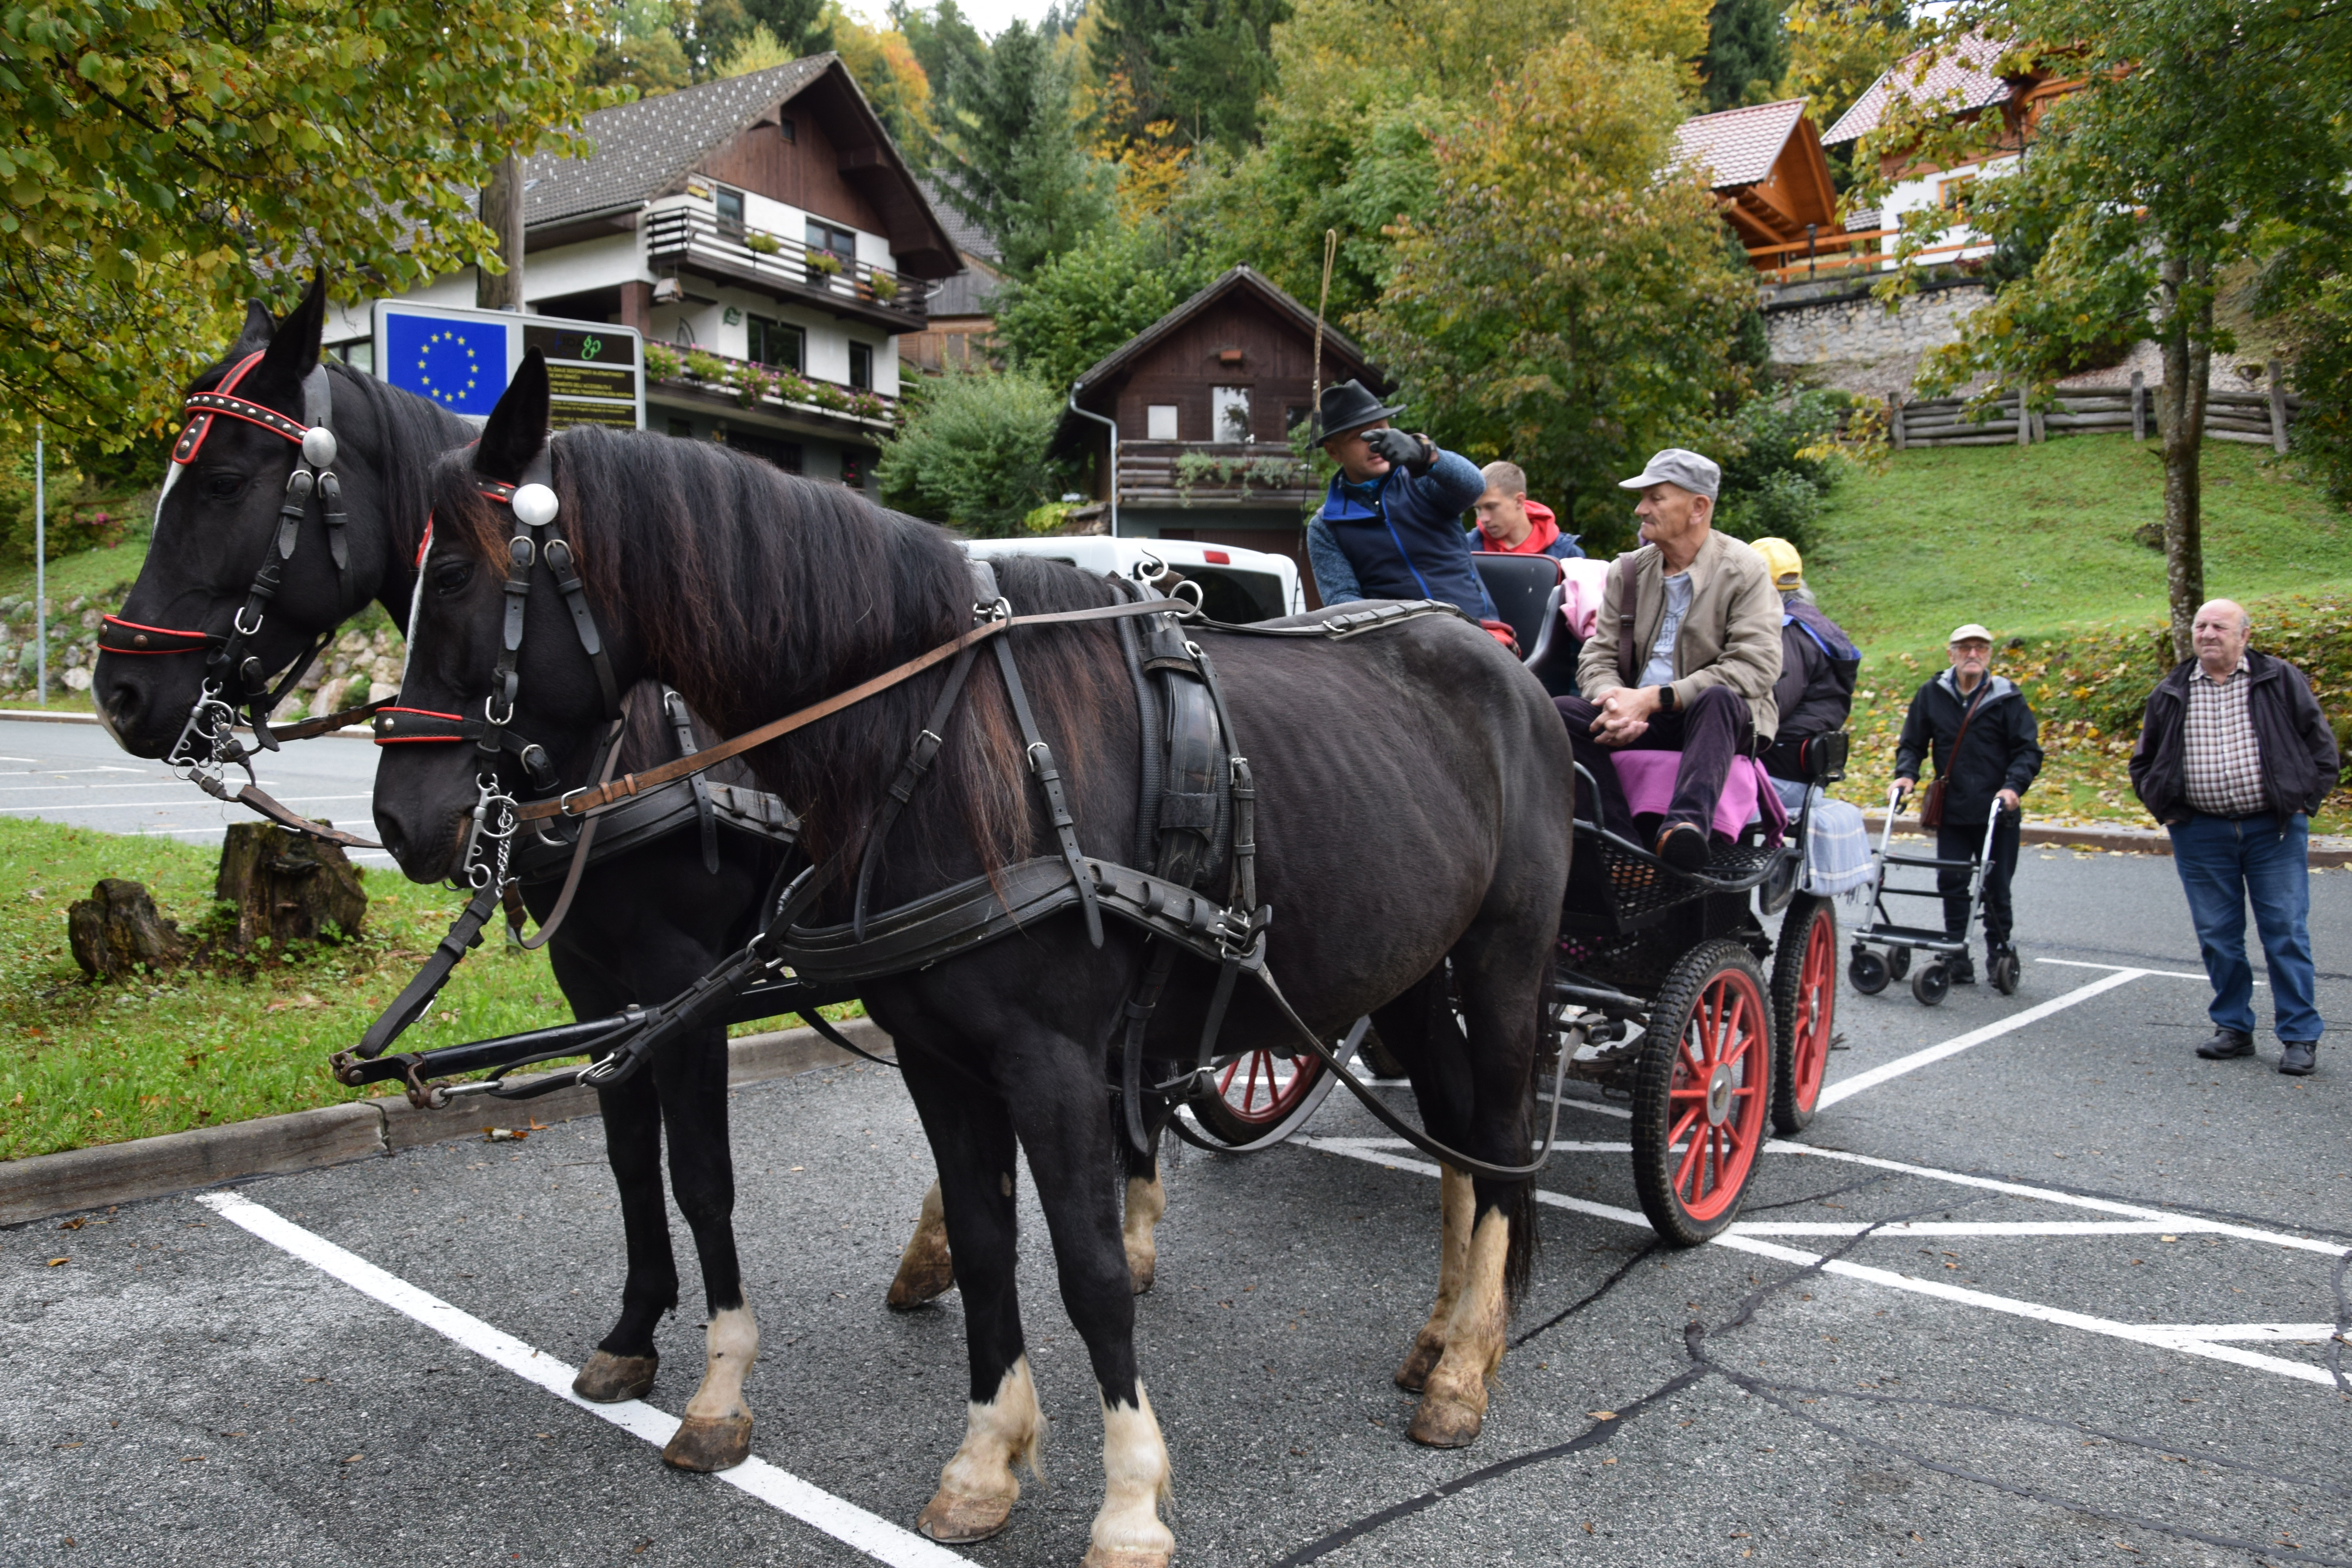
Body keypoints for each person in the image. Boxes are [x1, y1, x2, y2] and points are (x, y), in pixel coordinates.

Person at [2127, 599, 2338, 1074]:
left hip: (2273, 828)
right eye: (2201, 625)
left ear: (2244, 636)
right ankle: (2234, 1028)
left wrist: (2305, 802)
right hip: (2200, 831)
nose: (2207, 634)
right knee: (2218, 936)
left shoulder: (2278, 679)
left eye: (2219, 626)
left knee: (2285, 929)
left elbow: (2320, 746)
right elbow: (2144, 761)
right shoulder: (2171, 690)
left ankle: (2300, 1035)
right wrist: (2166, 807)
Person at [1558, 448, 1782, 873]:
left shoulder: (1745, 569)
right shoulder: (1628, 570)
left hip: (1716, 719)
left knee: (1717, 698)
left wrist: (1654, 699)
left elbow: (1755, 667)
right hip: (1642, 714)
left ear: (1699, 507)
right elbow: (1597, 655)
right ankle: (1620, 849)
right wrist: (1614, 701)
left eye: (1655, 498)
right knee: (1562, 712)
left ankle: (1684, 830)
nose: (1641, 509)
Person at [1892, 624, 2043, 985]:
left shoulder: (2007, 697)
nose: (1972, 654)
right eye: (1964, 648)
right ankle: (1957, 954)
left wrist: (2013, 787)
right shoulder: (1932, 693)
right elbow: (1912, 743)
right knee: (1952, 880)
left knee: (1996, 887)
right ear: (1951, 654)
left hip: (1997, 811)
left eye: (1980, 648)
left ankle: (1999, 953)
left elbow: (2028, 750)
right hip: (1954, 810)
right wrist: (1906, 775)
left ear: (1989, 655)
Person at [1303, 380, 1496, 622]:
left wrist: (1425, 453)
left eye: (1382, 430)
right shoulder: (1325, 527)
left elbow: (1474, 486)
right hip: (1398, 648)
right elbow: (1343, 603)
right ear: (1334, 452)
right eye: (1361, 437)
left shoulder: (1422, 479)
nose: (1376, 445)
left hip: (1477, 630)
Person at [1754, 537, 1860, 789]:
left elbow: (1770, 706)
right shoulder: (1813, 622)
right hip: (1799, 769)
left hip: (1776, 772)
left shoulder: (1786, 632)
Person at [1470, 462, 1583, 559]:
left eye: (1491, 507)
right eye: (1478, 509)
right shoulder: (1465, 549)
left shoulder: (1567, 554)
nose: (1483, 518)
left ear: (1519, 501)